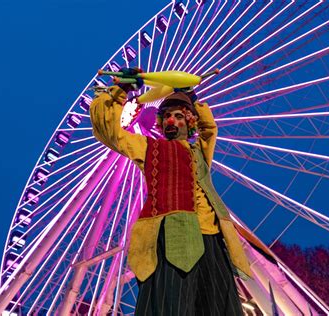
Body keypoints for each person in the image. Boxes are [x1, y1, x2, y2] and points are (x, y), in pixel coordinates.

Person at [90, 71, 252, 315]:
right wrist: (119, 91)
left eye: (178, 116)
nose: (171, 121)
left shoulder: (199, 153)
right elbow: (110, 134)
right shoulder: (148, 148)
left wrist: (192, 97)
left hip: (212, 238)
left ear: (189, 121)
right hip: (173, 237)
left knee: (220, 307)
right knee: (169, 306)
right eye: (166, 117)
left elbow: (210, 130)